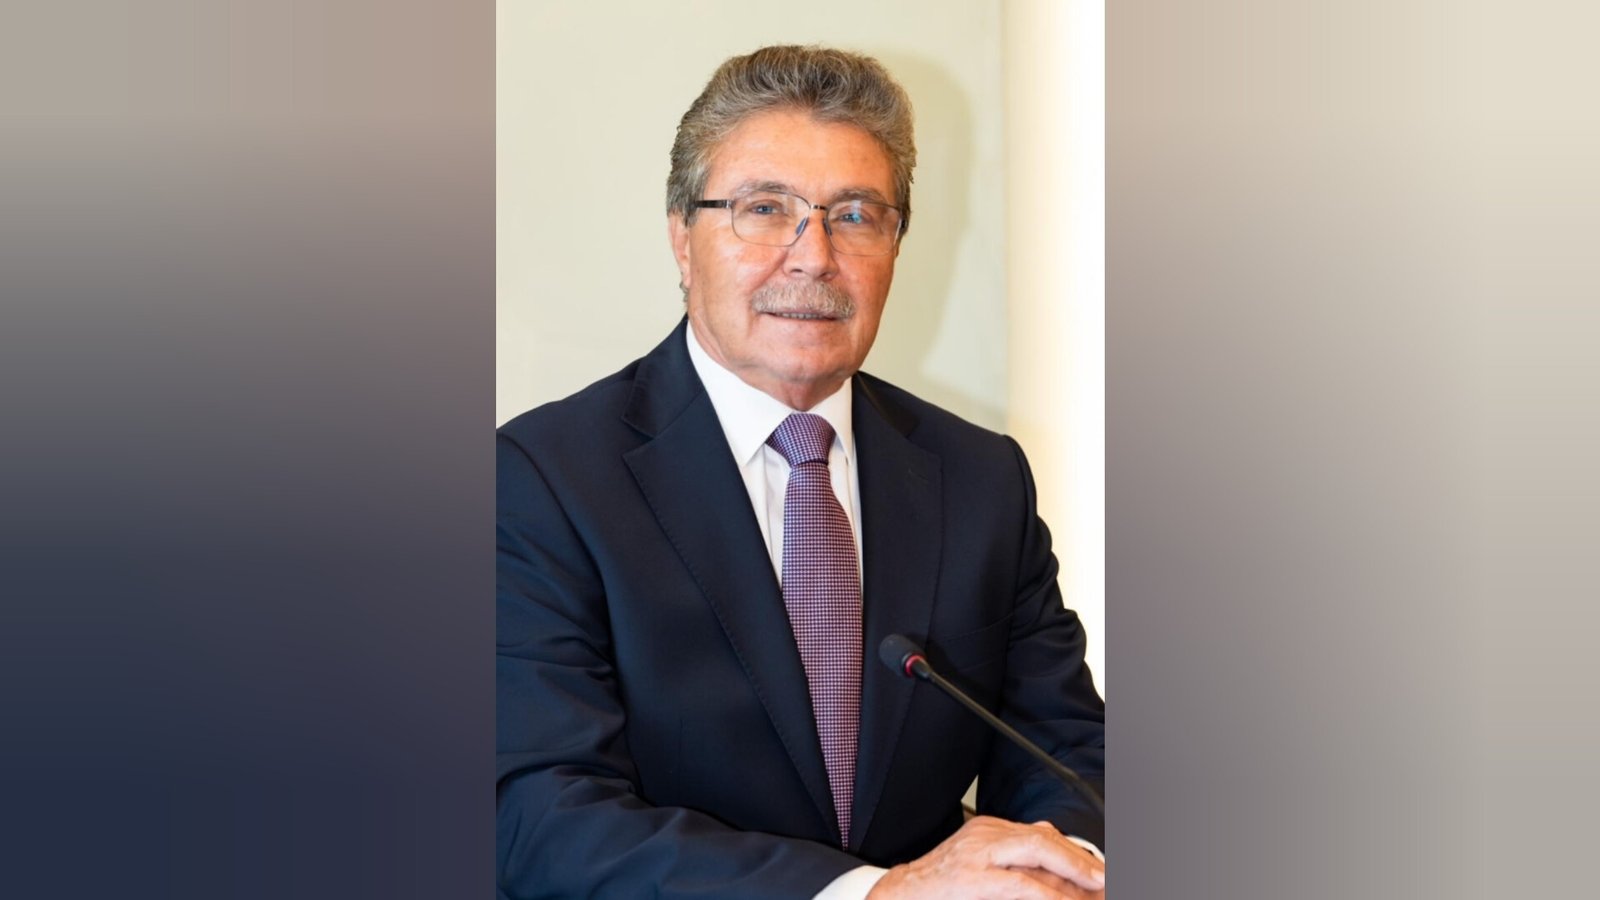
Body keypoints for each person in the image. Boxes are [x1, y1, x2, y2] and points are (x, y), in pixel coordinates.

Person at [497, 45, 1105, 899]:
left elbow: (1071, 759)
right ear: (682, 239)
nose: (813, 255)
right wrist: (871, 895)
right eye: (764, 209)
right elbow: (539, 815)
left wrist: (1055, 869)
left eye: (855, 215)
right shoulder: (542, 480)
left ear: (896, 245)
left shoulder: (982, 479)